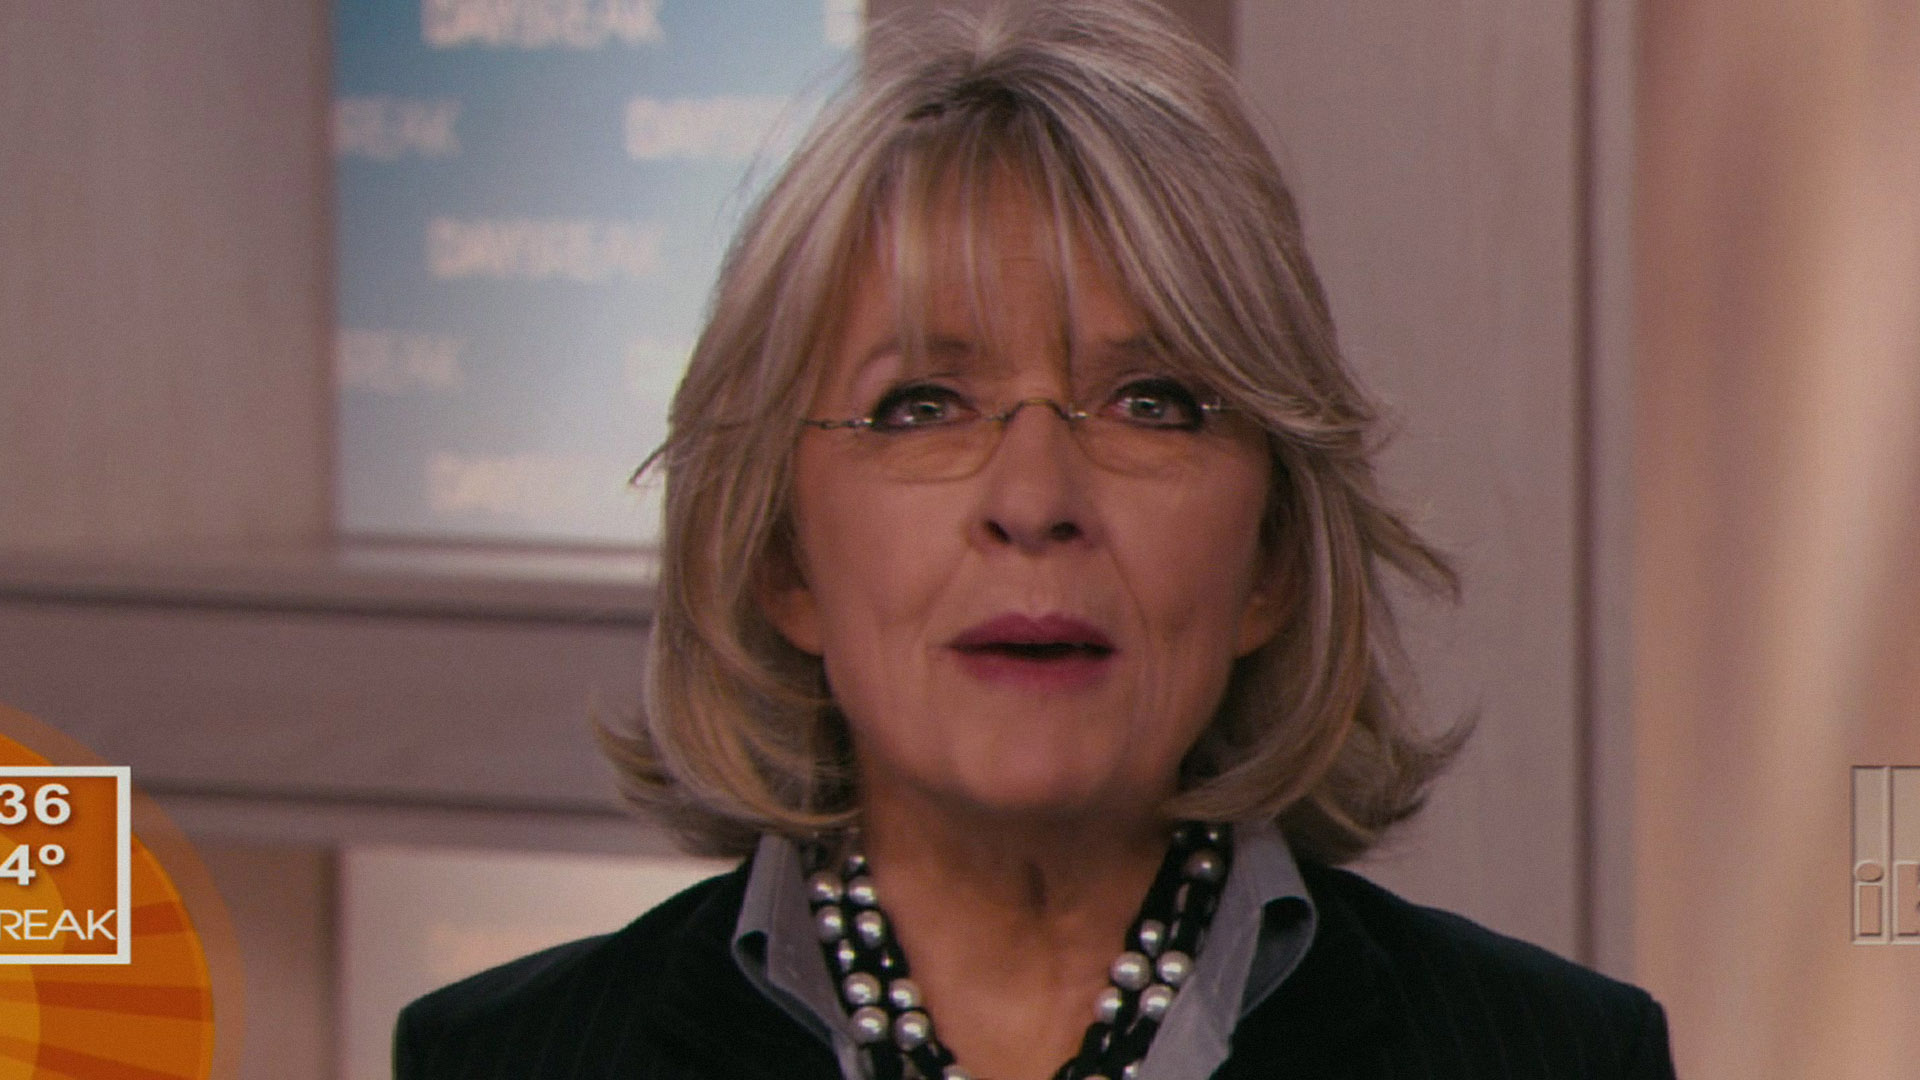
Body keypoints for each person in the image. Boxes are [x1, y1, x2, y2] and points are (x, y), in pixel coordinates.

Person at [394, 3, 1677, 1078]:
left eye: (1151, 403)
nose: (1034, 497)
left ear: (1274, 560)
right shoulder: (503, 1060)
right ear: (779, 556)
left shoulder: (1555, 1056)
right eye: (922, 406)